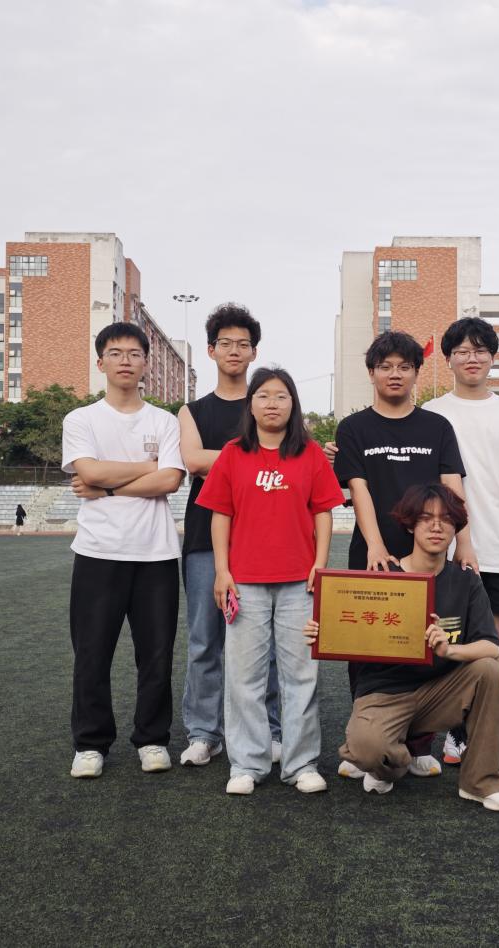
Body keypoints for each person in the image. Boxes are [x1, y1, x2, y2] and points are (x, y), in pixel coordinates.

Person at [311, 484, 499, 811]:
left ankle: (480, 783)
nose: (436, 526)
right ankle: (393, 761)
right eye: (426, 518)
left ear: (456, 528)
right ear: (410, 525)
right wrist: (325, 632)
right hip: (384, 693)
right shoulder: (383, 576)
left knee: (490, 672)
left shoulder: (465, 581)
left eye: (445, 519)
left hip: (440, 691)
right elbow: (350, 629)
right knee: (367, 750)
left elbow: (491, 646)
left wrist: (450, 651)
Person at [331, 330, 470, 779]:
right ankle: (367, 737)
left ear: (416, 373)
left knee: (425, 641)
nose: (395, 374)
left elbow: (452, 488)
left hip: (429, 555)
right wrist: (375, 544)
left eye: (404, 367)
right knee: (365, 645)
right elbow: (359, 489)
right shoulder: (354, 428)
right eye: (386, 366)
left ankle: (419, 742)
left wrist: (464, 541)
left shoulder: (437, 427)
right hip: (372, 553)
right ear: (371, 372)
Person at [197, 367, 343, 795]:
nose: (272, 404)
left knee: (301, 676)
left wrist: (320, 563)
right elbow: (220, 515)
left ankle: (301, 764)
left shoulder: (310, 453)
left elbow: (323, 512)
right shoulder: (232, 454)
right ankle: (247, 763)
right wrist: (222, 570)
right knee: (244, 678)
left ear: (293, 404)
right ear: (251, 405)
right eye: (263, 396)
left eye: (281, 396)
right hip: (245, 583)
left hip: (300, 582)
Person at [63, 322, 186, 780]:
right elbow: (88, 472)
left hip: (156, 555)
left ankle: (152, 740)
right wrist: (145, 468)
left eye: (134, 354)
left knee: (156, 655)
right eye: (115, 353)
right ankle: (90, 744)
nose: (125, 361)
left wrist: (110, 488)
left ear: (146, 363)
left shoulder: (164, 421)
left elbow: (170, 480)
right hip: (98, 552)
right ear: (101, 362)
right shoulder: (81, 419)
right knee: (92, 653)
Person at [423, 317, 499, 765]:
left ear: (492, 358)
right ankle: (454, 733)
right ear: (448, 359)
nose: (471, 358)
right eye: (462, 351)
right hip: (446, 548)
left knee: (494, 637)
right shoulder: (433, 412)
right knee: (446, 635)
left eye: (479, 351)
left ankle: (489, 731)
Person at [177, 303, 282, 769]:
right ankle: (204, 733)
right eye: (226, 344)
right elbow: (193, 461)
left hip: (265, 539)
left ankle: (270, 730)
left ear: (254, 352)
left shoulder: (269, 403)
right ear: (211, 350)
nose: (234, 351)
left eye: (243, 344)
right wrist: (254, 457)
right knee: (205, 640)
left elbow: (286, 457)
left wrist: (222, 459)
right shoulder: (193, 410)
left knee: (268, 644)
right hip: (205, 538)